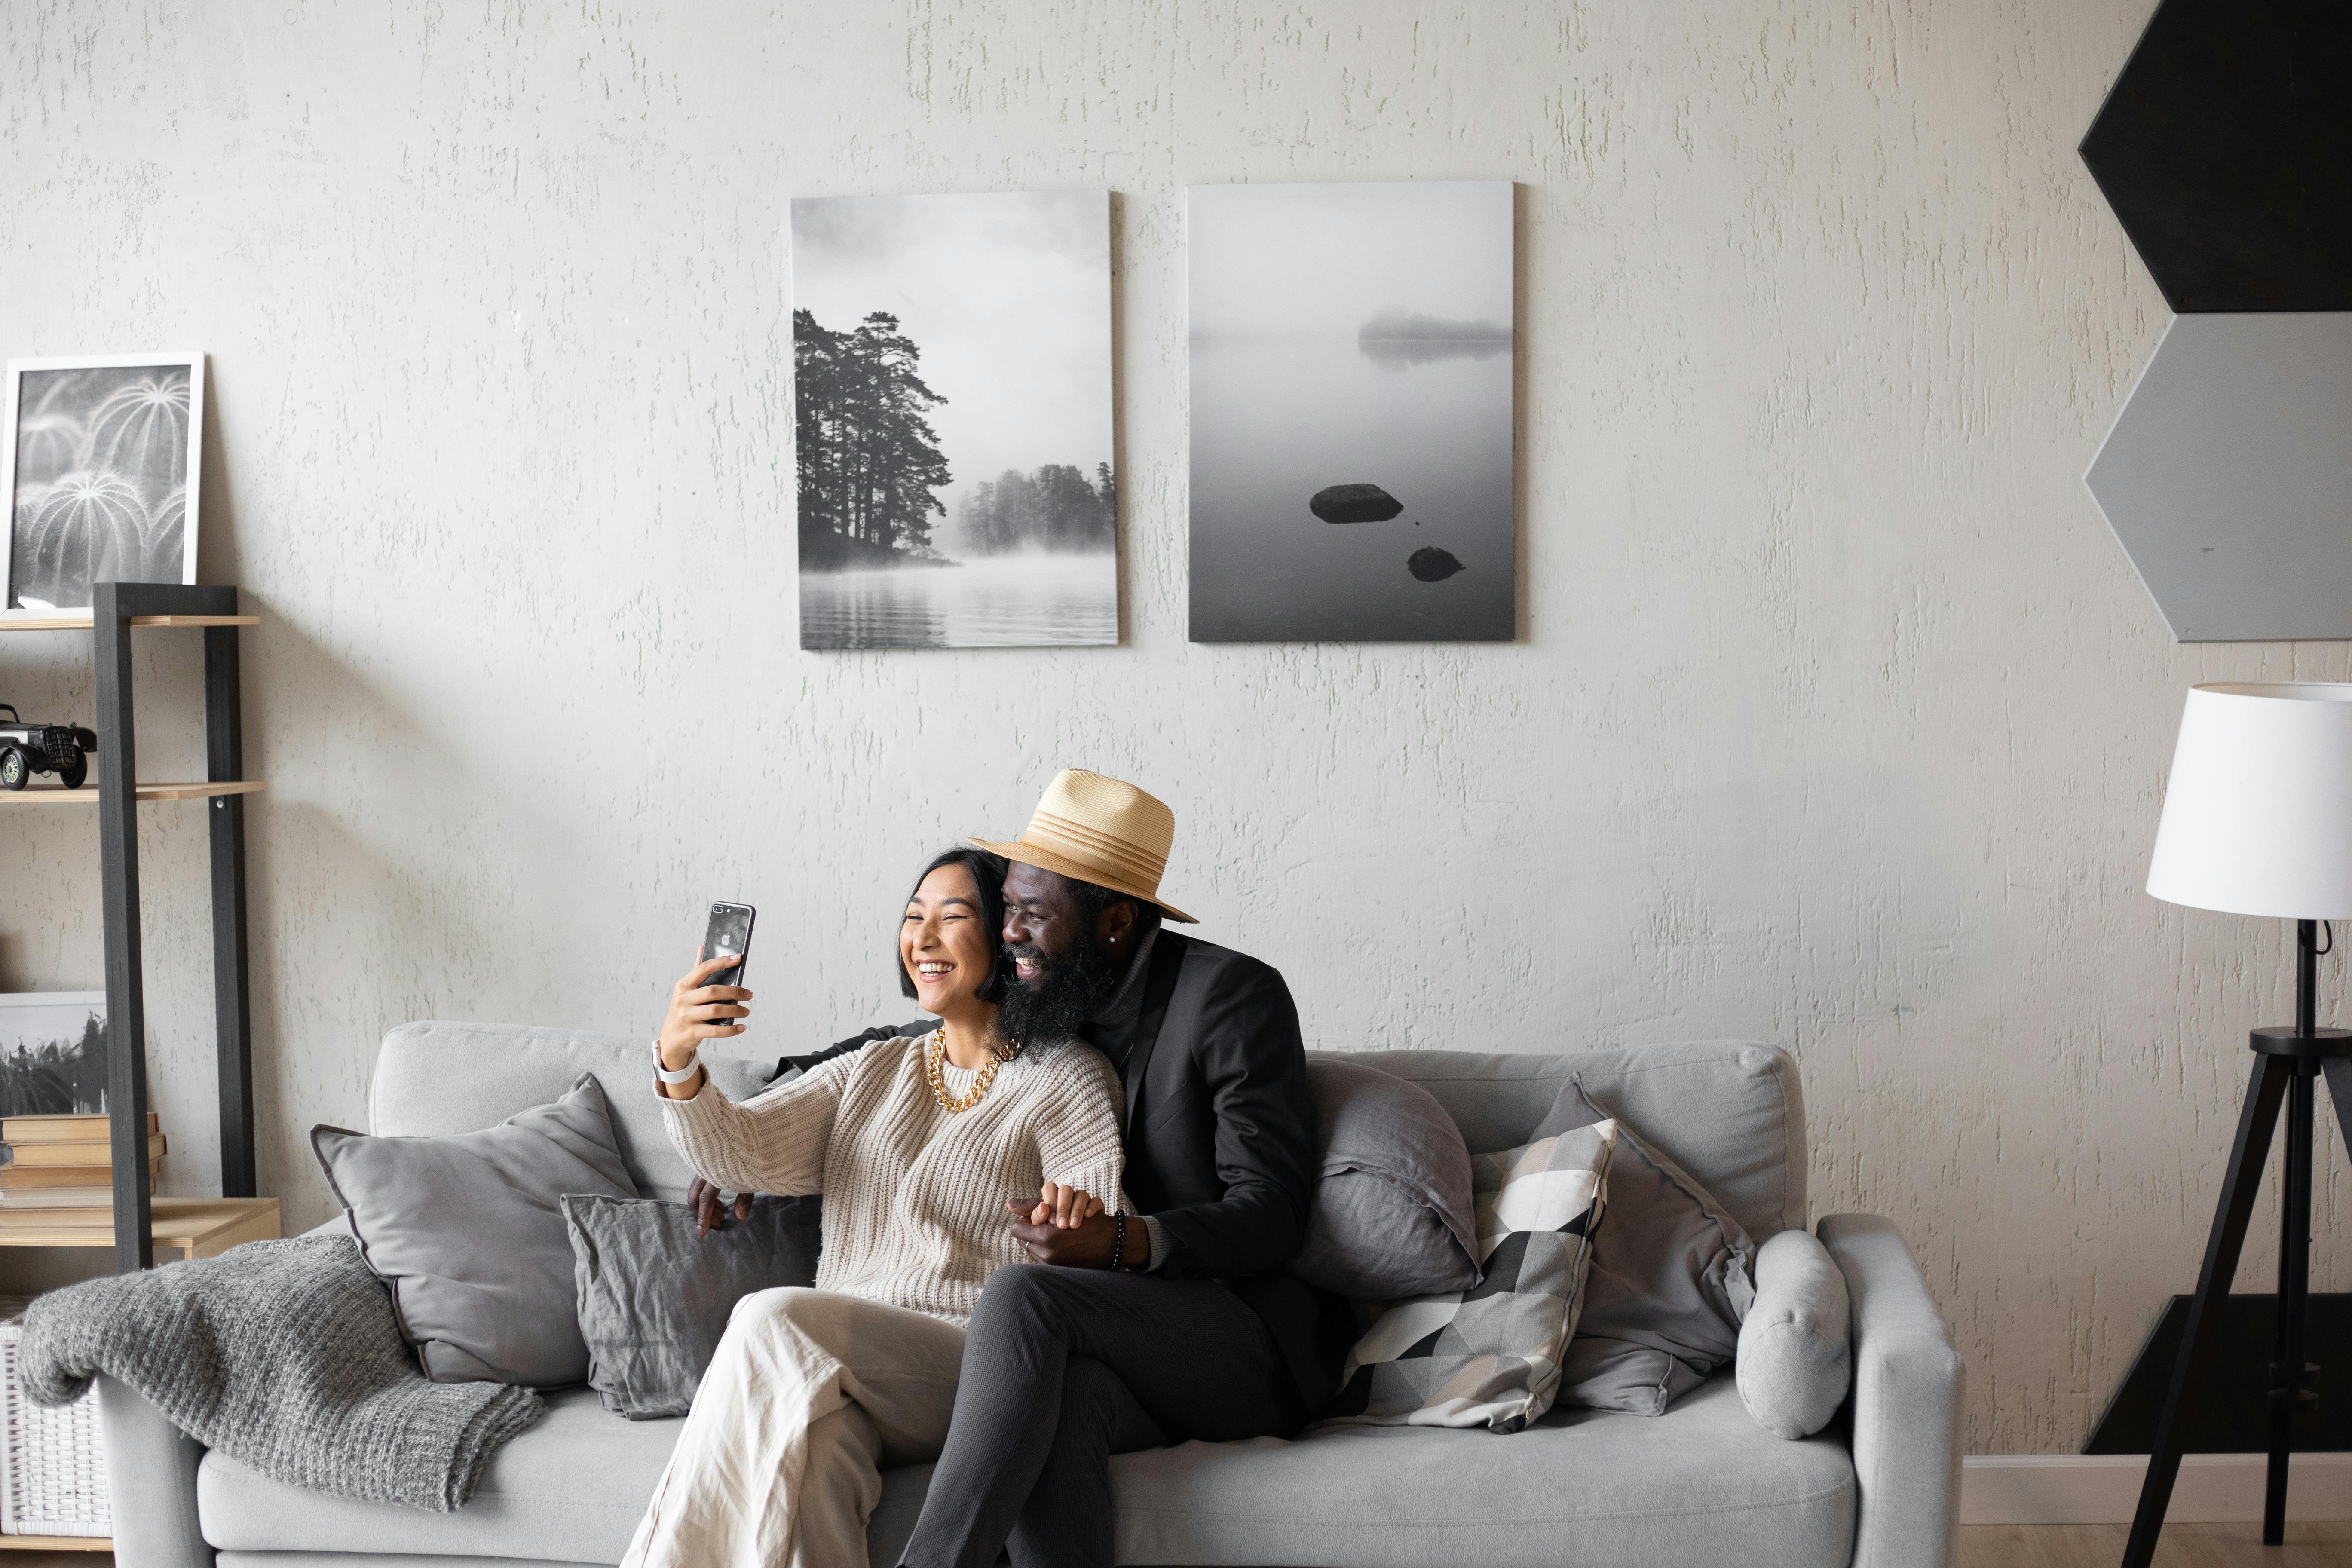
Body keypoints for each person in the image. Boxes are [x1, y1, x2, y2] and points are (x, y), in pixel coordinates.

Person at [701, 770, 1348, 1568]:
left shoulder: (1230, 998)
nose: (1011, 936)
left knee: (1021, 1292)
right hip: (1103, 1340)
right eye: (1007, 910)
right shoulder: (1055, 988)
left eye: (1032, 916)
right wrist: (756, 1128)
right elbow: (912, 1038)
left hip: (1229, 1337)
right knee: (1054, 1402)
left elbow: (1272, 1211)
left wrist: (1125, 1244)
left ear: (1113, 923)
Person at [621, 847, 1127, 1568]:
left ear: (1006, 934)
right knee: (817, 1455)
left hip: (980, 1367)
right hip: (848, 1368)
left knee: (770, 1317)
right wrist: (677, 1060)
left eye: (953, 918)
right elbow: (738, 1151)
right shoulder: (875, 1069)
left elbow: (1100, 1219)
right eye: (913, 917)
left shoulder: (1064, 1076)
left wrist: (1076, 1214)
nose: (922, 938)